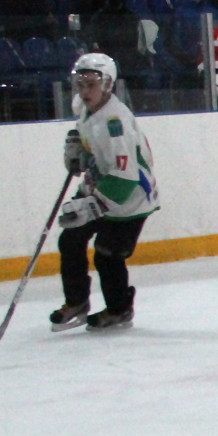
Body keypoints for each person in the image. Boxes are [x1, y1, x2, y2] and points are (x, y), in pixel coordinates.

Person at [49, 53, 156, 332]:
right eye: (79, 83)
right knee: (70, 240)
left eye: (91, 83)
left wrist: (91, 207)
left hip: (132, 198)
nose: (84, 90)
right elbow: (91, 141)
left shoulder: (115, 123)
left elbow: (125, 177)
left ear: (108, 84)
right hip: (100, 186)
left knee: (107, 253)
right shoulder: (84, 106)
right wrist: (80, 153)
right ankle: (77, 303)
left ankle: (119, 310)